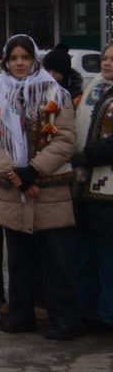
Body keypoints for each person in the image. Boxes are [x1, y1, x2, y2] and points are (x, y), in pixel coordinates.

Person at [0, 35, 81, 340]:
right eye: (14, 58)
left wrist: (34, 170)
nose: (19, 63)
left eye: (25, 58)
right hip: (12, 190)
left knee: (56, 260)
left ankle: (64, 320)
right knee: (19, 260)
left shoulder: (56, 93)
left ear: (34, 59)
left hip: (49, 189)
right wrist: (14, 173)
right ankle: (21, 315)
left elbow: (65, 139)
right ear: (6, 61)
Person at [73, 42, 113, 334]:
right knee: (87, 255)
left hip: (109, 190)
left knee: (108, 258)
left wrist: (86, 155)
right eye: (105, 58)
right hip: (86, 187)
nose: (107, 63)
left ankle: (108, 315)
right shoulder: (95, 89)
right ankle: (88, 311)